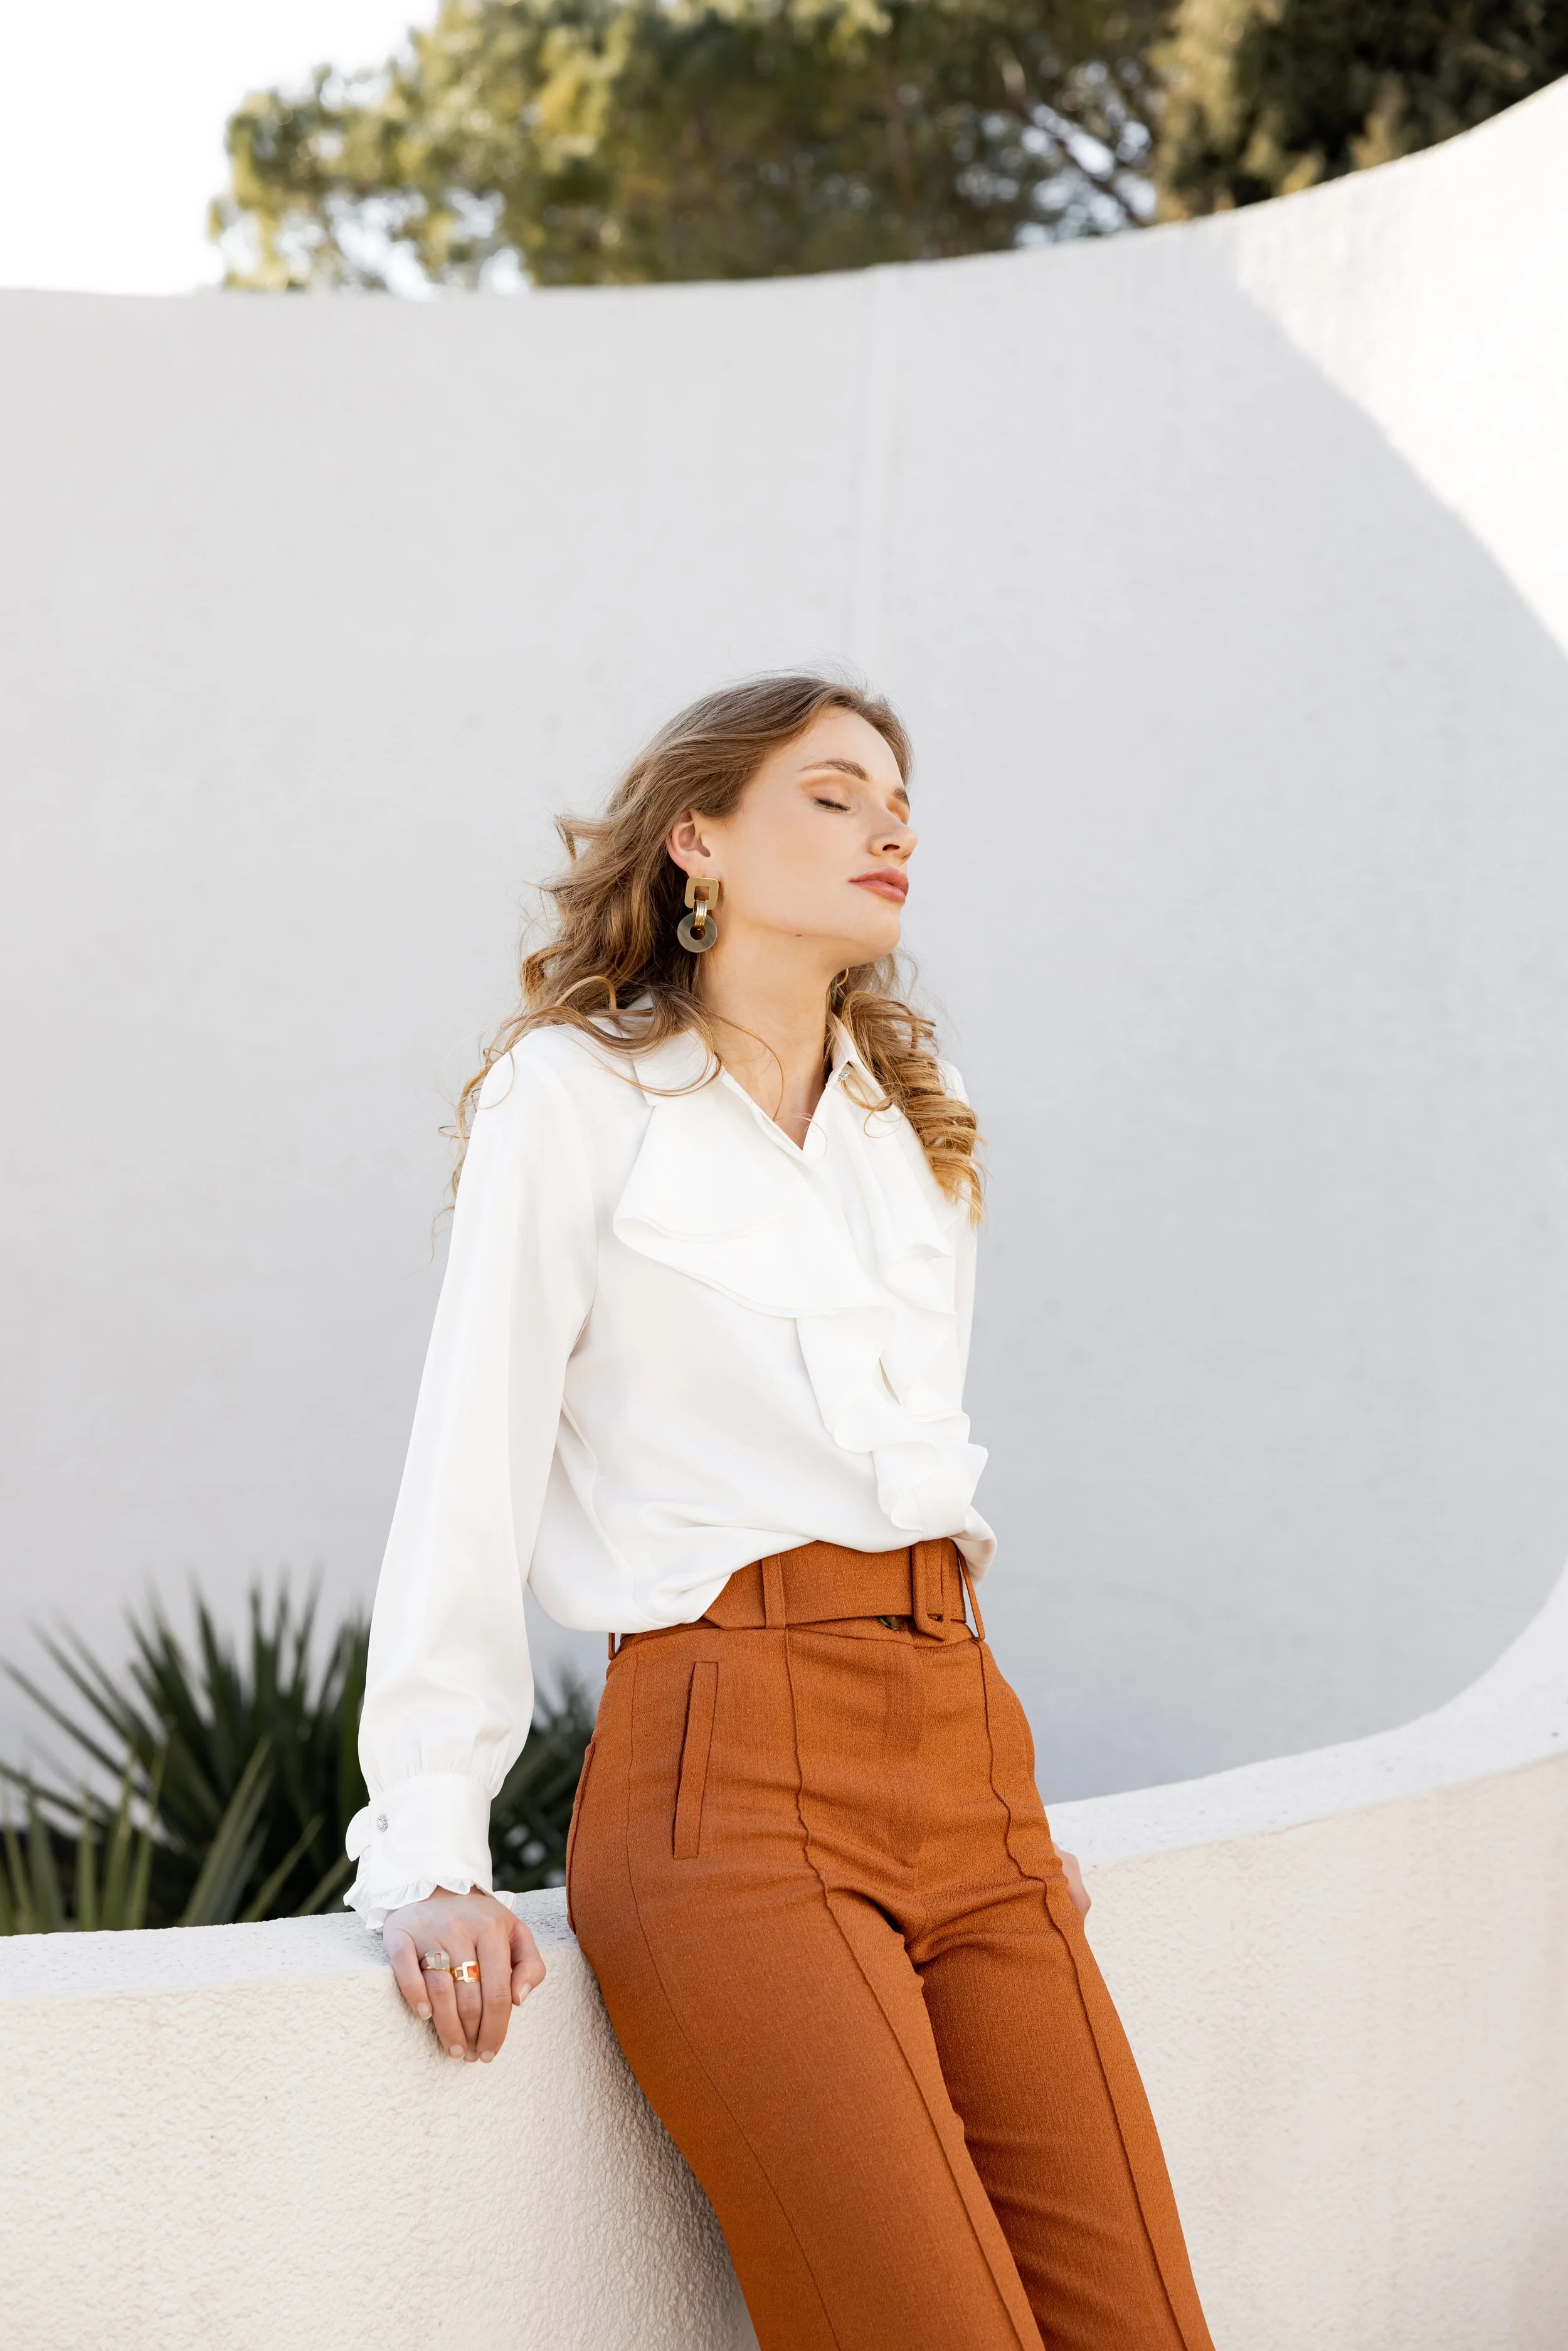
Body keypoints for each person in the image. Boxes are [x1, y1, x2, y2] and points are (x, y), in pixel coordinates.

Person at [345, 674, 1215, 2351]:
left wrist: (985, 1789)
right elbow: (470, 1460)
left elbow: (915, 1472)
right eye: (830, 791)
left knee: (1142, 2326)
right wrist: (428, 1849)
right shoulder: (576, 1098)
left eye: (899, 801)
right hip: (727, 1775)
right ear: (699, 835)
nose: (888, 823)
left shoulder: (913, 1126)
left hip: (964, 1752)